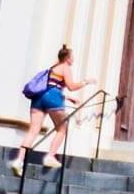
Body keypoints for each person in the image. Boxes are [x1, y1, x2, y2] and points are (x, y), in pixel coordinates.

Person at [8, 45, 95, 175]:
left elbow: (51, 86)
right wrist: (85, 82)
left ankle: (18, 161)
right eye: (72, 57)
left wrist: (69, 98)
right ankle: (50, 156)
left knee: (33, 131)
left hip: (39, 98)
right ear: (67, 58)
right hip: (53, 98)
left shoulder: (52, 68)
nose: (73, 60)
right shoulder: (66, 67)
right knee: (62, 129)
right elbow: (71, 86)